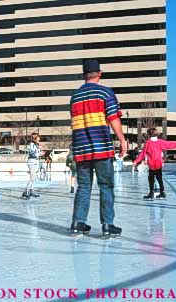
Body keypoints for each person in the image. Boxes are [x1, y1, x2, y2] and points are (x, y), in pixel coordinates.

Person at [69, 59, 127, 238]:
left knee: (84, 186)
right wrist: (122, 140)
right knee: (105, 186)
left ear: (83, 75)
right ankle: (107, 224)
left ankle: (78, 223)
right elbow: (113, 118)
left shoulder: (75, 96)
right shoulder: (105, 93)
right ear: (100, 74)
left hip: (81, 149)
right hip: (101, 147)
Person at [133, 128, 176, 200]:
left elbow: (143, 153)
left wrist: (136, 161)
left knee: (151, 178)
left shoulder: (148, 143)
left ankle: (151, 193)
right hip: (158, 163)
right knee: (159, 178)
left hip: (152, 163)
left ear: (149, 135)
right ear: (156, 134)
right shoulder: (160, 142)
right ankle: (162, 192)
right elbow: (169, 144)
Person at [22, 132, 42, 200]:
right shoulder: (31, 144)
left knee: (34, 177)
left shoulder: (36, 144)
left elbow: (37, 153)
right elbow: (32, 154)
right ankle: (26, 192)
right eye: (38, 137)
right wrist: (40, 154)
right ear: (35, 138)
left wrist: (40, 153)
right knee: (32, 178)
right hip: (32, 162)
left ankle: (31, 191)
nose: (39, 138)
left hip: (36, 162)